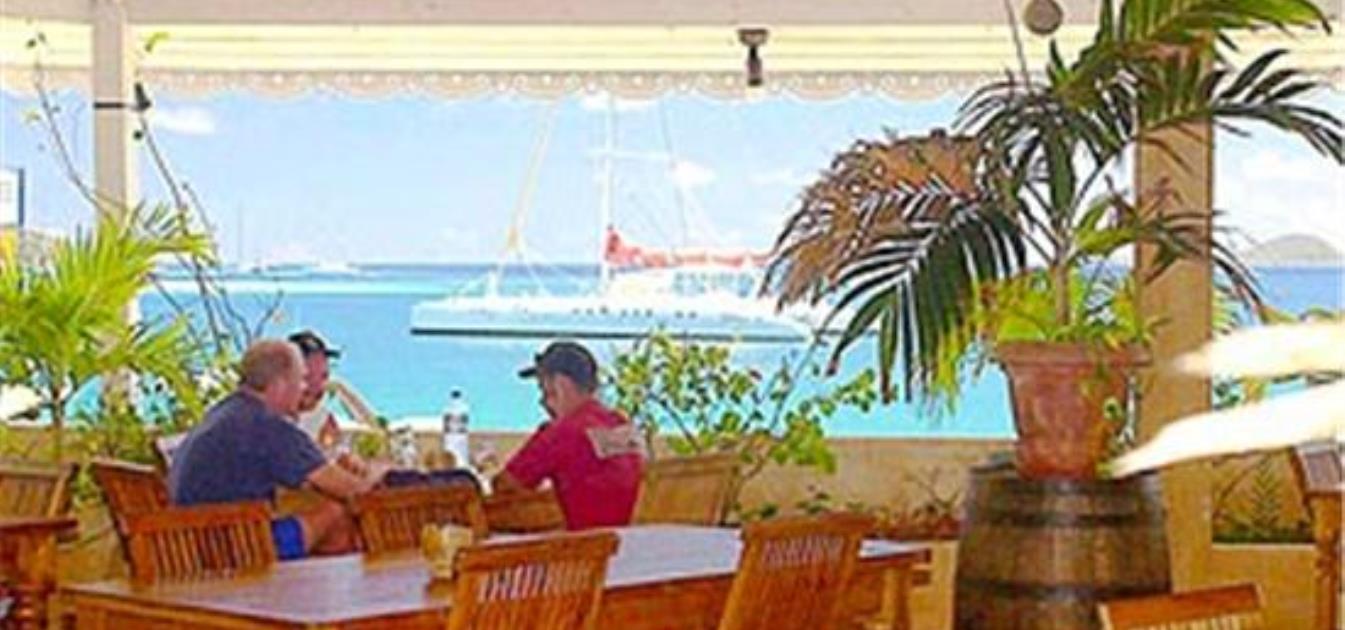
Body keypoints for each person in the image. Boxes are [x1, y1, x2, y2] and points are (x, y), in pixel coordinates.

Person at [168, 339, 388, 558]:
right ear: (281, 384)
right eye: (301, 380)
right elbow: (352, 490)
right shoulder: (267, 425)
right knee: (336, 512)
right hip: (241, 549)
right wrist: (381, 475)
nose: (304, 389)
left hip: (194, 547)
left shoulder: (225, 412)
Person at [492, 341, 645, 530]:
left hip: (589, 544)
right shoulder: (622, 425)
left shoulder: (563, 431)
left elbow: (504, 485)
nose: (542, 402)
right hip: (634, 540)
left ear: (559, 384)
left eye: (543, 389)